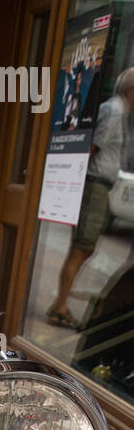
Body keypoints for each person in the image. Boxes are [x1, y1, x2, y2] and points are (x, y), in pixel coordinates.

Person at [48, 67, 134, 329]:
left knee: (86, 246)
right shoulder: (115, 110)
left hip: (101, 184)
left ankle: (60, 303)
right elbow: (92, 147)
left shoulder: (121, 112)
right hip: (95, 183)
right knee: (83, 246)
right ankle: (60, 306)